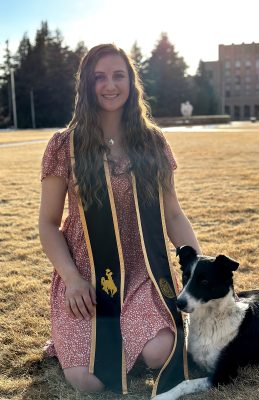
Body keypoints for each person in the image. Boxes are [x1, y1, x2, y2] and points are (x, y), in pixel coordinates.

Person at [39, 43, 201, 396]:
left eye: (118, 76)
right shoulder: (64, 145)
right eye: (99, 77)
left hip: (143, 270)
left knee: (161, 353)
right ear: (86, 85)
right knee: (89, 381)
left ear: (131, 82)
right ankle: (76, 338)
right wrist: (72, 280)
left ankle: (131, 332)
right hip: (88, 274)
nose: (109, 85)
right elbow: (48, 223)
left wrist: (195, 265)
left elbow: (172, 213)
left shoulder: (152, 143)